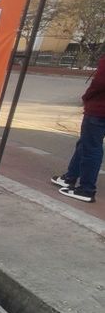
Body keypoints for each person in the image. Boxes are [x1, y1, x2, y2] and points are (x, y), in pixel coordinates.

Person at [51, 53, 105, 203]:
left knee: (91, 148)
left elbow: (99, 82)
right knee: (85, 144)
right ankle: (70, 176)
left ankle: (86, 189)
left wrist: (86, 98)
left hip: (99, 110)